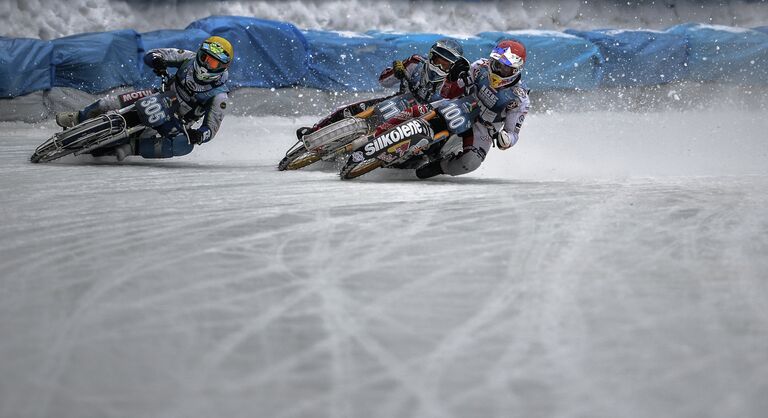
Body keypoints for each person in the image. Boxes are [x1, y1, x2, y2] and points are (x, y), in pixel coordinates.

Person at [54, 36, 233, 160]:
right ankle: (79, 116)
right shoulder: (188, 58)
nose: (206, 64)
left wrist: (198, 136)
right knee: (112, 101)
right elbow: (155, 53)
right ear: (199, 53)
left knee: (184, 146)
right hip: (160, 94)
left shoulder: (219, 96)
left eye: (214, 62)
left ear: (222, 67)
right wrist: (157, 61)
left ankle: (132, 148)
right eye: (205, 58)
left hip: (178, 121)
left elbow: (211, 128)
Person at [296, 39, 464, 138]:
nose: (438, 67)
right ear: (431, 55)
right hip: (395, 102)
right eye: (437, 60)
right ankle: (315, 130)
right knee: (354, 108)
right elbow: (383, 81)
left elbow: (449, 109)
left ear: (452, 68)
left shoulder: (451, 84)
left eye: (445, 65)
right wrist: (396, 72)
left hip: (420, 117)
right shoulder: (416, 62)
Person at [414, 39, 531, 179]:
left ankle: (438, 167)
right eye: (496, 64)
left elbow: (513, 133)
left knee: (470, 163)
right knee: (425, 104)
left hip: (483, 127)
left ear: (515, 70)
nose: (498, 70)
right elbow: (448, 93)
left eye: (505, 68)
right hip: (459, 106)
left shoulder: (520, 99)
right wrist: (451, 79)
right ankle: (399, 121)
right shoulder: (479, 67)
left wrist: (505, 139)